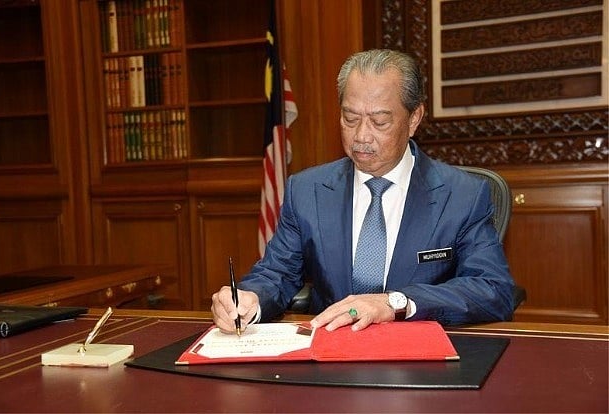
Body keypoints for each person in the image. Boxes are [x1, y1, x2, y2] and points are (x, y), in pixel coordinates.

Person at [212, 49, 515, 333]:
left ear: (414, 119)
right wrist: (250, 299)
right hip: (331, 352)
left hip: (416, 355)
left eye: (379, 121)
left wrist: (396, 303)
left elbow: (493, 289)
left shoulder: (463, 195)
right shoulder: (306, 191)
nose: (361, 136)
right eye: (350, 118)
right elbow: (276, 273)